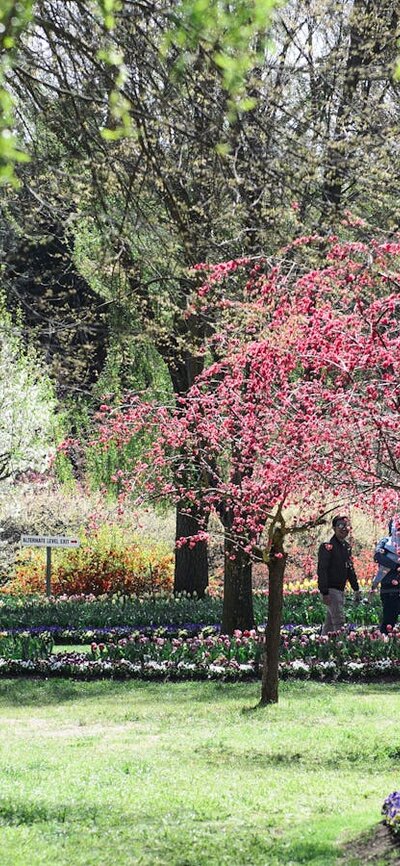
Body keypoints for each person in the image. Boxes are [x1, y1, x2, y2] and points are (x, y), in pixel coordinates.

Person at [317, 515, 361, 635]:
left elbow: (350, 570)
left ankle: (324, 648)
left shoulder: (346, 546)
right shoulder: (327, 546)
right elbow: (322, 569)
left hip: (340, 589)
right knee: (339, 623)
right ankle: (342, 649)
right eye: (340, 525)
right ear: (334, 528)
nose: (344, 529)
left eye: (347, 526)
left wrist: (356, 588)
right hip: (331, 589)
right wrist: (324, 592)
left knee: (330, 625)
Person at [368, 517, 400, 633]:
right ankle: (384, 642)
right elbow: (378, 556)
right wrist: (395, 565)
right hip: (389, 587)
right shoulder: (386, 541)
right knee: (389, 620)